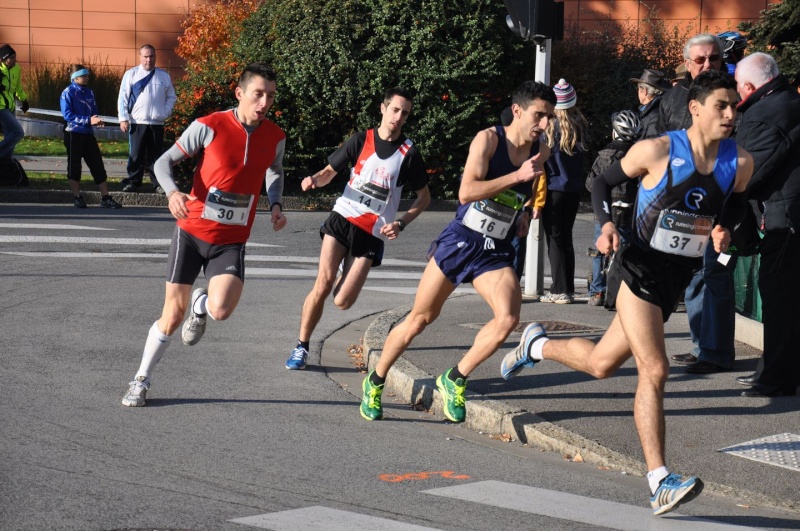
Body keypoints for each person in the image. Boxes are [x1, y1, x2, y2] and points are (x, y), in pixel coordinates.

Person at [501, 70, 754, 515]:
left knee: (601, 364)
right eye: (722, 105)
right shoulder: (657, 150)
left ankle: (536, 345)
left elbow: (733, 207)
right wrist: (604, 226)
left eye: (734, 106)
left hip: (676, 278)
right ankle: (659, 480)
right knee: (654, 369)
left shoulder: (741, 162)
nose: (731, 114)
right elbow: (599, 182)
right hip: (637, 268)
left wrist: (723, 230)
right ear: (695, 108)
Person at [359, 80, 555, 423]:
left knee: (508, 318)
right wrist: (515, 176)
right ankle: (375, 381)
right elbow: (466, 192)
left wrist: (523, 212)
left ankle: (455, 377)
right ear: (518, 111)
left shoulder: (543, 149)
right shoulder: (489, 139)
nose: (544, 124)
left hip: (495, 248)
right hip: (462, 239)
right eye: (539, 116)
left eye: (549, 117)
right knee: (419, 320)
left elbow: (533, 184)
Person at [121, 62, 288, 407]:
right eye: (258, 94)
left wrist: (274, 203)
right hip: (192, 231)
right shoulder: (209, 126)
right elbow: (162, 163)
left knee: (222, 310)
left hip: (231, 239)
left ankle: (203, 303)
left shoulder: (275, 136)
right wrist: (171, 193)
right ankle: (141, 380)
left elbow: (274, 170)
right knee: (171, 316)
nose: (264, 102)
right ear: (240, 93)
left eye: (270, 96)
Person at [286, 87, 430, 371]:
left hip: (372, 233)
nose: (399, 117)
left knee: (342, 301)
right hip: (343, 217)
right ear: (383, 108)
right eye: (395, 110)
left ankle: (346, 271)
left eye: (405, 113)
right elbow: (329, 172)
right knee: (323, 283)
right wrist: (314, 180)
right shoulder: (360, 140)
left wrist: (401, 222)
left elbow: (424, 197)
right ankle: (301, 346)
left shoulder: (408, 153)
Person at [734, 52, 800, 397]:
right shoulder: (790, 101)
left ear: (748, 86)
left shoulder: (763, 115)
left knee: (777, 297)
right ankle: (774, 370)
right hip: (788, 214)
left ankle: (776, 377)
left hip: (784, 219)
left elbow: (746, 174)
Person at [585, 110, 641, 307]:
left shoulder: (602, 156)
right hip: (629, 209)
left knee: (599, 248)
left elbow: (591, 184)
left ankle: (597, 291)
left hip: (606, 209)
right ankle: (621, 291)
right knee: (625, 248)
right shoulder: (637, 156)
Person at [540, 79, 588, 304]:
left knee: (555, 239)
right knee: (566, 238)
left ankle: (558, 290)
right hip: (573, 189)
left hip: (553, 188)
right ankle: (567, 287)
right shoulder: (580, 125)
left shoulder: (548, 126)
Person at [60, 65, 123, 209]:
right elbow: (68, 115)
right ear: (75, 77)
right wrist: (88, 120)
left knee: (97, 164)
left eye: (87, 75)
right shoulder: (67, 92)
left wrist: (96, 119)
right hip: (73, 134)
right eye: (84, 76)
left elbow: (94, 111)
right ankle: (77, 197)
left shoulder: (90, 92)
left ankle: (105, 197)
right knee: (74, 166)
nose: (87, 78)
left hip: (88, 134)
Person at [117, 44, 177, 193]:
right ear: (140, 57)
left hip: (157, 123)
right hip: (138, 122)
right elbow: (122, 98)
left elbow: (171, 96)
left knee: (156, 155)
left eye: (151, 56)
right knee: (136, 153)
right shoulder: (131, 74)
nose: (148, 60)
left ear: (155, 57)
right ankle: (133, 182)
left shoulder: (164, 76)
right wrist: (123, 118)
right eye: (145, 56)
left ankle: (157, 184)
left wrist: (165, 113)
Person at [501, 105, 546, 280]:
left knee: (517, 244)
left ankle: (512, 283)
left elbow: (538, 178)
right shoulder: (498, 145)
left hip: (519, 205)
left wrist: (532, 206)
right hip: (504, 205)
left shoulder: (533, 149)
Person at [657, 34, 723, 134]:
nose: (708, 65)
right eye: (700, 60)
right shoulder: (670, 99)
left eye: (713, 58)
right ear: (687, 64)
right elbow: (660, 140)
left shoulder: (737, 94)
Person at [0, 44, 29, 162]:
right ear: (3, 59)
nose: (14, 60)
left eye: (15, 57)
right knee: (18, 132)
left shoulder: (16, 68)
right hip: (1, 107)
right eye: (11, 58)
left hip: (10, 106)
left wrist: (24, 99)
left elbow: (18, 86)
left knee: (10, 136)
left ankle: (6, 163)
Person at [629, 69, 670, 140]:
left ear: (645, 91)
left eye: (638, 88)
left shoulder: (655, 116)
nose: (637, 91)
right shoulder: (647, 110)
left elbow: (652, 142)